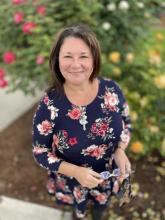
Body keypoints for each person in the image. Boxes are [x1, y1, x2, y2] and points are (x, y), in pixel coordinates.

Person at [32, 24, 132, 220]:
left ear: (94, 59)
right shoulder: (50, 103)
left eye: (83, 56)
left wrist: (120, 150)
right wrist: (76, 172)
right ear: (57, 59)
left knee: (100, 211)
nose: (75, 64)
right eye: (68, 56)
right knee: (77, 215)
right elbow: (40, 152)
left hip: (107, 176)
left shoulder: (112, 90)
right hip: (72, 181)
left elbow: (126, 123)